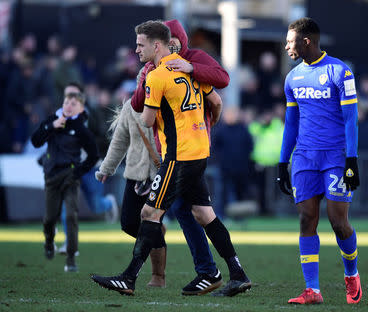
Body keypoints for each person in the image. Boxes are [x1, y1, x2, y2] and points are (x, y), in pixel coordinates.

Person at [91, 20, 251, 297]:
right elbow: (216, 101)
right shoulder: (188, 69)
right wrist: (203, 128)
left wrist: (146, 97)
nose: (136, 50)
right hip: (199, 152)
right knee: (202, 213)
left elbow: (146, 117)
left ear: (157, 45)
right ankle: (236, 273)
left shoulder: (157, 76)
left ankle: (129, 278)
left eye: (140, 45)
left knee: (149, 213)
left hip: (178, 156)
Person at [128, 18, 233, 294]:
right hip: (173, 150)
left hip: (183, 152)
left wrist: (192, 68)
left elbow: (222, 81)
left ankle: (136, 277)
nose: (172, 46)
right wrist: (144, 79)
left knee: (154, 212)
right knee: (193, 211)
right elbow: (138, 103)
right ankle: (223, 271)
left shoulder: (193, 59)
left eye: (175, 41)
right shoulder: (155, 69)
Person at [277, 17, 362, 304]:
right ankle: (312, 290)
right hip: (305, 158)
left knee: (339, 222)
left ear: (306, 41)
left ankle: (351, 273)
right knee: (306, 219)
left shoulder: (340, 72)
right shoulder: (292, 78)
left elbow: (351, 120)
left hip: (336, 157)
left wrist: (352, 160)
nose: (286, 46)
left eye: (290, 41)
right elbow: (291, 123)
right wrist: (282, 162)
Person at [31, 82, 98, 272]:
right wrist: (51, 126)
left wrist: (77, 173)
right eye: (67, 102)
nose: (68, 106)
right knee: (49, 218)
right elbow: (35, 141)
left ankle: (71, 259)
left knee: (71, 216)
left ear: (81, 108)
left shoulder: (80, 128)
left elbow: (93, 155)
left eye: (73, 104)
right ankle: (49, 241)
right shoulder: (52, 119)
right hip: (51, 176)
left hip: (70, 177)